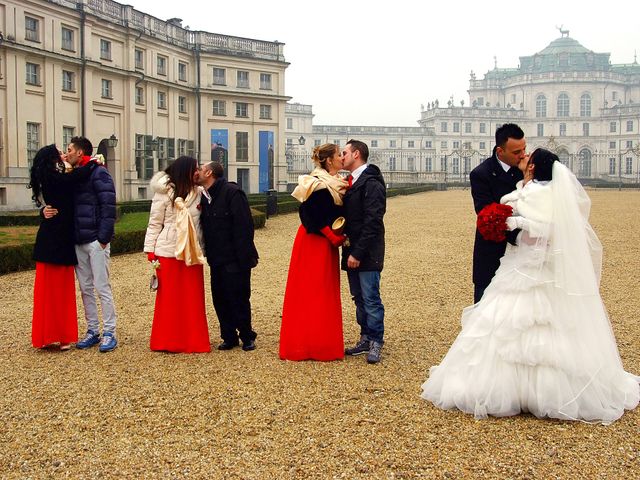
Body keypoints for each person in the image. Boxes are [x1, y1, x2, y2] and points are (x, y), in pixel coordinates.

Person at [421, 148, 640, 424]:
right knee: (528, 324)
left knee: (518, 325)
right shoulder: (537, 191)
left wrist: (514, 221)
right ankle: (531, 389)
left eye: (528, 157)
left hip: (531, 268)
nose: (522, 158)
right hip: (529, 265)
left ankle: (524, 390)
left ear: (534, 167)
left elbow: (545, 230)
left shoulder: (538, 194)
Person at [279, 143, 348, 361]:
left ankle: (320, 343)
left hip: (325, 243)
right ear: (329, 160)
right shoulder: (316, 183)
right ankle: (307, 345)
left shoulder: (336, 183)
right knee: (312, 292)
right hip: (313, 243)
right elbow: (309, 215)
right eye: (339, 155)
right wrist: (332, 235)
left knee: (323, 292)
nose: (342, 158)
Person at [28, 145, 97, 350]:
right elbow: (74, 178)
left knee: (51, 292)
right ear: (51, 159)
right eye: (58, 153)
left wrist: (42, 212)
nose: (62, 154)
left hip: (56, 237)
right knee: (58, 292)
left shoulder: (49, 176)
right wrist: (93, 162)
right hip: (56, 240)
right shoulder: (54, 177)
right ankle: (58, 335)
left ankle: (50, 335)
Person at [143, 156, 210, 353]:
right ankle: (167, 340)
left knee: (192, 297)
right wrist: (150, 250)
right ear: (185, 170)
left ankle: (193, 340)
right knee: (169, 299)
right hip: (168, 249)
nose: (197, 172)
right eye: (195, 169)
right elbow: (155, 222)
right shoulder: (164, 192)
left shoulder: (199, 192)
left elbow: (204, 224)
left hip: (191, 250)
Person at [198, 161, 259, 351]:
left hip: (235, 258)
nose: (197, 172)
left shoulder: (232, 193)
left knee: (239, 297)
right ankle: (229, 336)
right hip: (216, 258)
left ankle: (247, 336)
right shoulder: (205, 196)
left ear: (209, 172)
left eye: (200, 169)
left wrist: (243, 259)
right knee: (220, 298)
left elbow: (244, 227)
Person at [66, 136, 118, 352]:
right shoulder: (75, 174)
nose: (66, 152)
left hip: (96, 239)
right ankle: (92, 329)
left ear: (80, 153)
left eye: (69, 149)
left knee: (101, 286)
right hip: (79, 239)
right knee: (86, 288)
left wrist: (103, 238)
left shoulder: (99, 172)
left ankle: (109, 331)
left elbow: (108, 204)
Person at [341, 139, 387, 364]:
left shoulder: (371, 183)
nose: (341, 157)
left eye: (345, 152)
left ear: (356, 154)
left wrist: (357, 253)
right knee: (359, 297)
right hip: (353, 249)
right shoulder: (351, 182)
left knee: (370, 298)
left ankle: (376, 340)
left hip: (367, 252)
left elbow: (373, 222)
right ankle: (365, 337)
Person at [469, 123, 525, 303]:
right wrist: (521, 232)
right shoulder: (481, 174)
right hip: (493, 248)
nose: (522, 155)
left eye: (524, 149)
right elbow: (486, 215)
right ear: (500, 151)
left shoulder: (527, 170)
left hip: (524, 251)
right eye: (517, 152)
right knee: (484, 304)